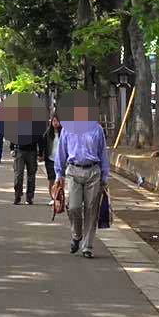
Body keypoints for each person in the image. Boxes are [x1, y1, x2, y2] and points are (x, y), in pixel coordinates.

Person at [51, 93, 110, 258]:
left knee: (92, 210)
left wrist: (105, 176)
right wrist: (58, 174)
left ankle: (87, 246)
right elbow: (61, 152)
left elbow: (103, 153)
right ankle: (77, 235)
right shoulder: (67, 129)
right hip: (73, 171)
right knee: (74, 207)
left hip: (93, 172)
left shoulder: (97, 129)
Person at [12, 95, 48, 205]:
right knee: (18, 175)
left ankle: (29, 196)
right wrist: (12, 148)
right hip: (20, 150)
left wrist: (41, 153)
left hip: (32, 151)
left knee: (31, 176)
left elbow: (40, 138)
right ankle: (18, 194)